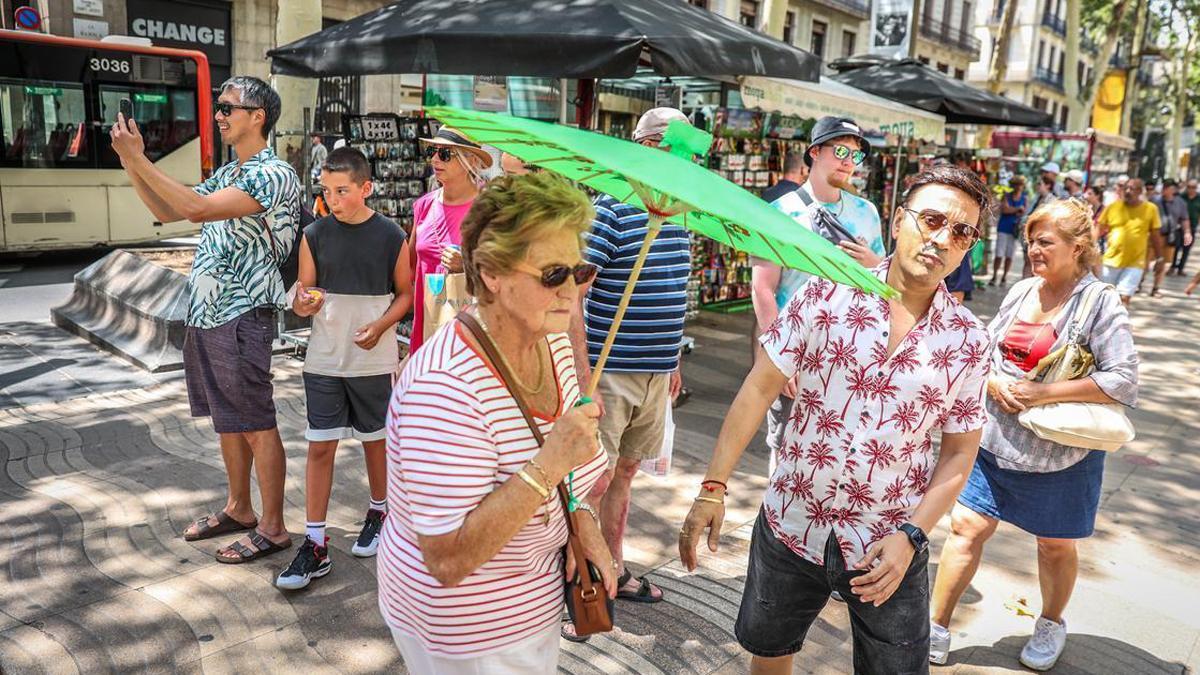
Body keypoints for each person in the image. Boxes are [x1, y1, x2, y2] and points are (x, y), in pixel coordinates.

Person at [679, 166, 994, 675]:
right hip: (791, 521)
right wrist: (712, 488)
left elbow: (960, 451)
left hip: (888, 542)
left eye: (961, 232)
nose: (941, 239)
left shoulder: (969, 340)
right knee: (770, 653)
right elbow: (759, 386)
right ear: (899, 221)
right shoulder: (827, 294)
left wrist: (913, 536)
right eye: (932, 220)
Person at [377, 172, 615, 674]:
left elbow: (570, 481)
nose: (570, 292)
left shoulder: (550, 339)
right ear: (491, 274)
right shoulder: (444, 387)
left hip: (534, 603)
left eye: (580, 271)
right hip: (468, 632)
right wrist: (550, 464)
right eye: (553, 274)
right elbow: (447, 559)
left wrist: (582, 522)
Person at [930, 199, 1138, 670]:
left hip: (1061, 455)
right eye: (1030, 241)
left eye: (1045, 242)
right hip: (992, 443)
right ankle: (936, 626)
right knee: (966, 528)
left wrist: (1043, 394)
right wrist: (993, 381)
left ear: (1077, 247)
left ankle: (1050, 622)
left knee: (1055, 544)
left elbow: (1123, 379)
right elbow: (984, 350)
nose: (1033, 250)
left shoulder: (1099, 301)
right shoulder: (1023, 290)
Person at [111, 76, 300, 562]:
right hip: (208, 313)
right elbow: (167, 208)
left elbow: (195, 210)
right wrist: (131, 163)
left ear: (258, 116)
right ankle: (240, 508)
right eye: (219, 107)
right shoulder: (229, 173)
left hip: (243, 314)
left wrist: (139, 158)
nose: (218, 115)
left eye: (227, 107)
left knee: (255, 420)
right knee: (228, 420)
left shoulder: (274, 172)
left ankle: (274, 527)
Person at [568, 107, 693, 621]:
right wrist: (583, 379)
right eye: (673, 143)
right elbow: (573, 294)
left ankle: (613, 568)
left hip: (656, 371)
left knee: (624, 472)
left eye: (687, 146)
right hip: (611, 371)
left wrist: (673, 358)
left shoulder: (680, 213)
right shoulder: (613, 208)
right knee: (590, 480)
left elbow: (674, 288)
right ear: (643, 145)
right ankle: (577, 574)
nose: (683, 156)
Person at [275, 147, 413, 590]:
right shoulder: (314, 234)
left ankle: (380, 512)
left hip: (374, 359)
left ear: (366, 188)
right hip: (324, 360)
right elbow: (304, 296)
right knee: (320, 447)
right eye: (326, 191)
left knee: (376, 443)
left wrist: (381, 326)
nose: (332, 200)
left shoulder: (391, 235)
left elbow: (407, 295)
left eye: (342, 191)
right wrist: (302, 302)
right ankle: (315, 543)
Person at [751, 116, 886, 476]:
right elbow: (762, 288)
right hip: (796, 351)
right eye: (840, 151)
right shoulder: (781, 212)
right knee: (785, 451)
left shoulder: (866, 212)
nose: (848, 161)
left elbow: (883, 281)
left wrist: (873, 263)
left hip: (850, 353)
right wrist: (778, 356)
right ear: (814, 152)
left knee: (838, 454)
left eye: (855, 155)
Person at [408, 127, 492, 354]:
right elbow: (410, 268)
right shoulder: (424, 206)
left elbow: (506, 274)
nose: (435, 159)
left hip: (474, 335)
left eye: (445, 154)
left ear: (471, 161)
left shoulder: (489, 209)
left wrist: (467, 265)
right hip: (428, 329)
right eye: (432, 151)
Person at [1098, 179, 1157, 307]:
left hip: (1135, 262)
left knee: (1124, 298)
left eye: (1132, 189)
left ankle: (1118, 320)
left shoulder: (1150, 209)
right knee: (1105, 297)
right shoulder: (1113, 207)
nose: (1128, 191)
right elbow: (1099, 230)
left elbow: (1155, 234)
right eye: (1126, 188)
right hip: (1111, 261)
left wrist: (1159, 257)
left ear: (1140, 191)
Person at [1154, 179, 1193, 281]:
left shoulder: (1180, 203)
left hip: (1169, 237)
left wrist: (1187, 232)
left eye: (1168, 187)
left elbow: (1184, 219)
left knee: (1164, 262)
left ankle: (1156, 286)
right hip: (1154, 235)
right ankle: (1140, 281)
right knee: (1147, 260)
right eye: (1164, 186)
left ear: (1174, 190)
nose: (1164, 189)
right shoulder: (1155, 200)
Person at [992, 175, 1027, 286]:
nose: (1018, 187)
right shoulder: (1006, 196)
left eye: (1020, 185)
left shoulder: (1024, 198)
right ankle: (994, 276)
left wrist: (1012, 210)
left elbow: (1024, 213)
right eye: (1015, 184)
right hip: (1003, 228)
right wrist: (1017, 209)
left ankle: (1004, 277)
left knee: (1009, 255)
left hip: (1014, 230)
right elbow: (1005, 210)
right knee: (999, 253)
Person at [1175, 179, 1200, 275]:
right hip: (1179, 226)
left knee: (1187, 248)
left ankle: (1181, 268)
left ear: (1196, 188)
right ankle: (1173, 266)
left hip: (1192, 226)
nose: (1191, 189)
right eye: (1189, 187)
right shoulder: (1181, 197)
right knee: (1176, 246)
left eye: (1193, 187)